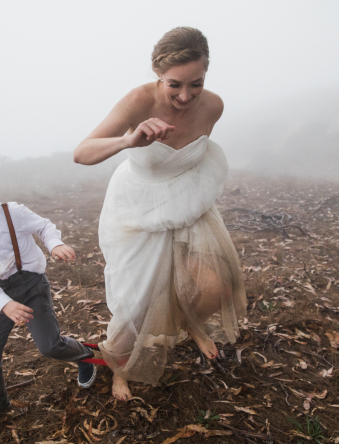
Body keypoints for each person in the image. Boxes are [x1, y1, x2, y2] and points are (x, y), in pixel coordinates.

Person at [74, 27, 247, 401]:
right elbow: (82, 152)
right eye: (174, 85)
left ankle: (186, 321)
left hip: (187, 200)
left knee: (217, 287)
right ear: (157, 74)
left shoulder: (213, 105)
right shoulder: (138, 100)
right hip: (139, 208)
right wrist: (128, 140)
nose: (185, 96)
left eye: (195, 83)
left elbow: (192, 151)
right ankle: (119, 365)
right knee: (137, 302)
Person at [0, 159, 97, 425]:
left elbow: (44, 226)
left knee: (50, 346)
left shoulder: (13, 212)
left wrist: (54, 244)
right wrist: (4, 304)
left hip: (32, 285)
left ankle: (85, 356)